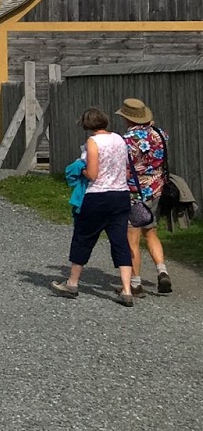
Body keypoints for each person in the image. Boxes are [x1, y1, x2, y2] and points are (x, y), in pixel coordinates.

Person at [52, 108, 135, 305]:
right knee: (120, 241)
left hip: (98, 196)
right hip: (121, 195)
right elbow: (126, 170)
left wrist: (82, 169)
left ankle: (72, 283)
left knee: (83, 238)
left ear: (87, 125)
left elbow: (93, 173)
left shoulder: (93, 142)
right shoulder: (119, 139)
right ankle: (126, 289)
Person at [118, 98, 173, 296]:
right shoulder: (160, 134)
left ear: (127, 119)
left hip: (135, 191)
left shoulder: (126, 140)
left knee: (132, 238)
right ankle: (162, 271)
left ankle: (135, 283)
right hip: (157, 188)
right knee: (151, 232)